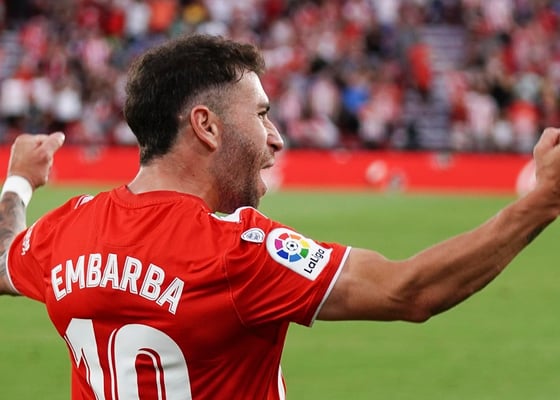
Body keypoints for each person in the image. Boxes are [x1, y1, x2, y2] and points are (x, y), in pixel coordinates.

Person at [0, 34, 559, 400]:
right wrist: (541, 202)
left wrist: (19, 181)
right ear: (207, 126)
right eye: (262, 114)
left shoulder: (67, 229)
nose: (277, 137)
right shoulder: (235, 251)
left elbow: (4, 261)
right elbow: (408, 291)